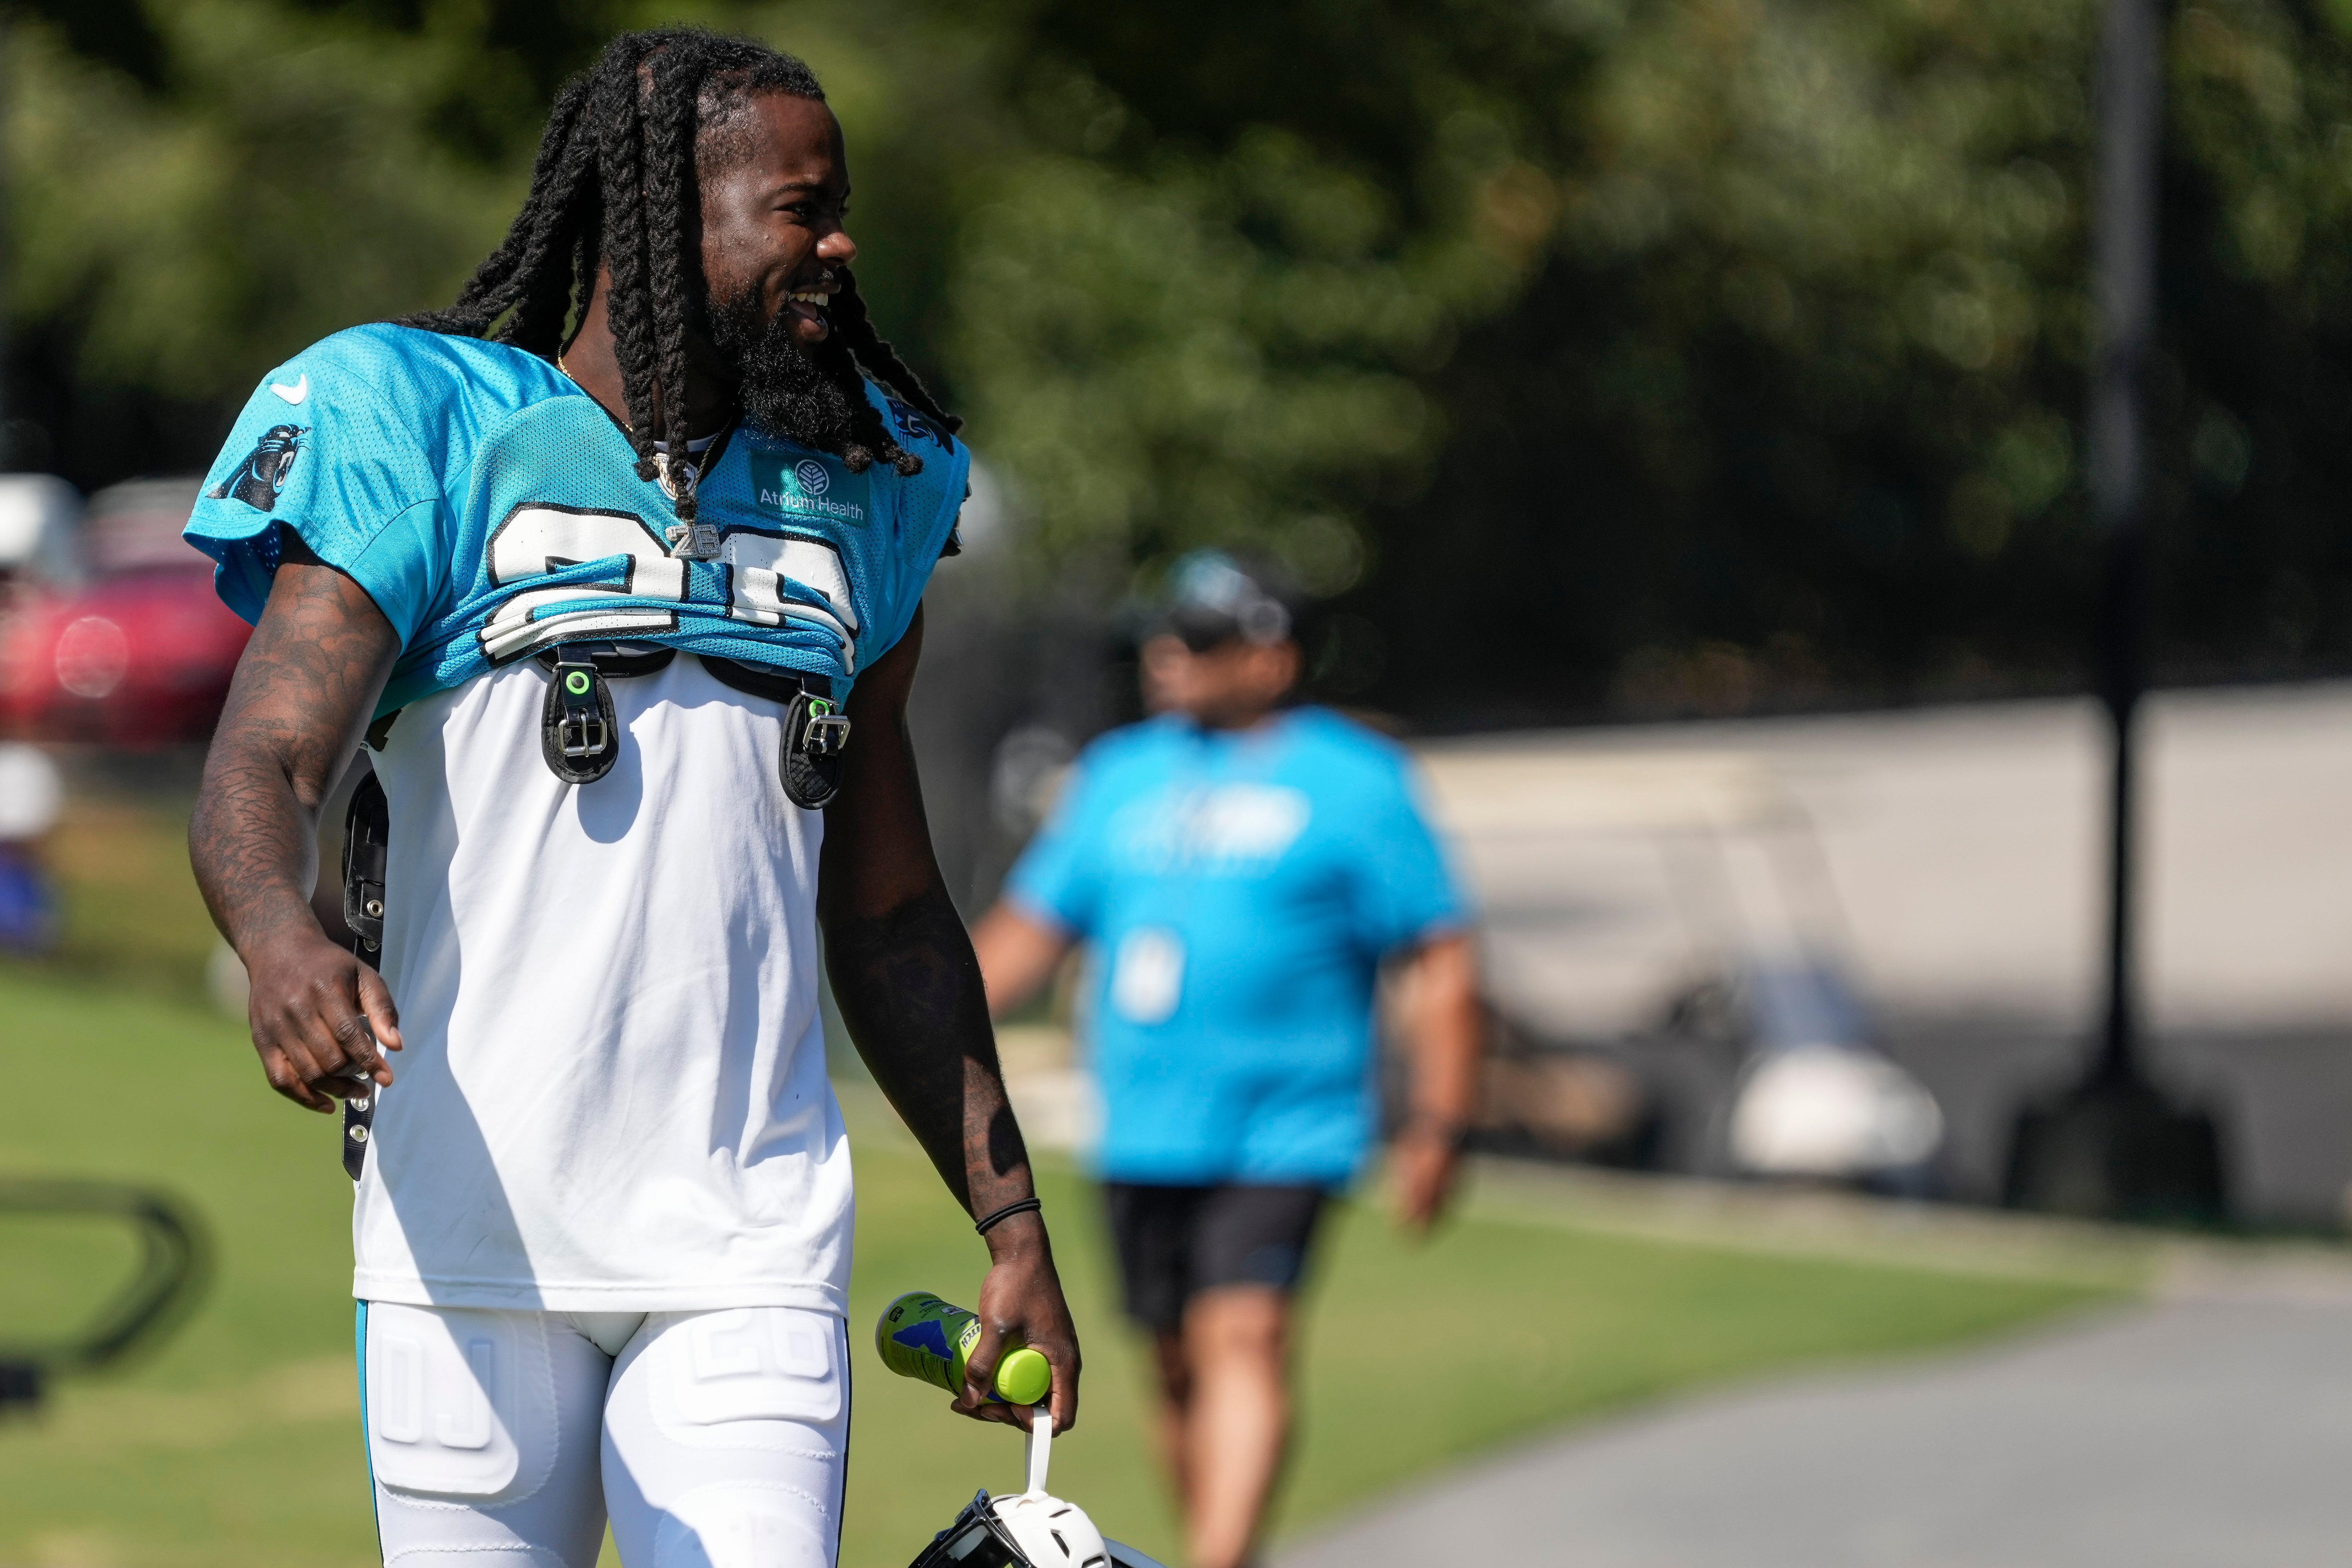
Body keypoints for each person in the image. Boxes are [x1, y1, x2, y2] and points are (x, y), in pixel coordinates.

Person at [183, 31, 1077, 1568]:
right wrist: (278, 937)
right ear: (667, 215)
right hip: (468, 1235)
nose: (840, 242)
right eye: (802, 208)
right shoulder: (432, 424)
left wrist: (1011, 1220)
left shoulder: (866, 480)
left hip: (748, 1239)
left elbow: (888, 906)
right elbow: (267, 756)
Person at [970, 552, 1482, 1568]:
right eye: (1162, 635)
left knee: (1242, 1338)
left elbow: (1438, 961)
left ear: (1271, 656)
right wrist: (914, 1030)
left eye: (1199, 639)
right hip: (1143, 1127)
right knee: (1170, 1365)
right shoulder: (1119, 774)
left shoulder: (1357, 781)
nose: (1168, 655)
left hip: (1285, 1124)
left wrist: (1439, 1119)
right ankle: (1224, 1550)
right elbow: (1031, 932)